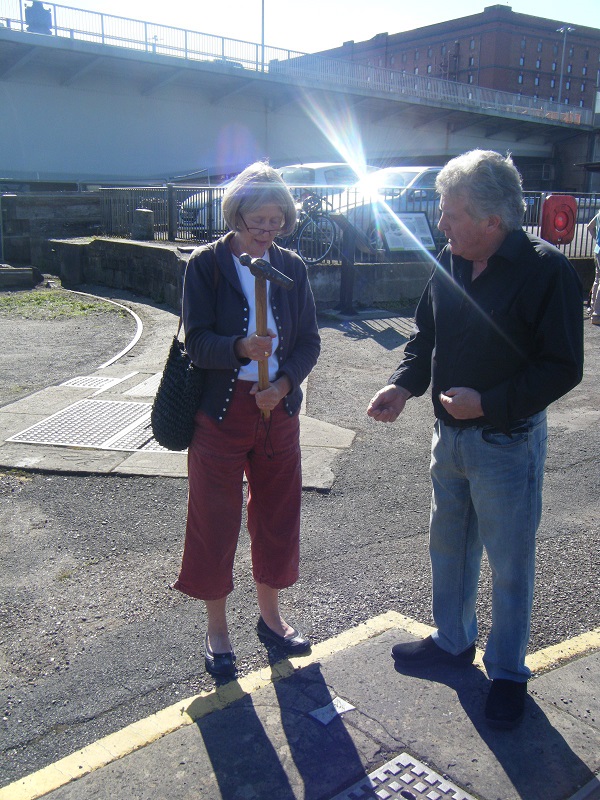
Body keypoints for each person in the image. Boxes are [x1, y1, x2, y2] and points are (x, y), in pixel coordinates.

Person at [367, 149, 583, 729]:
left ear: (494, 221)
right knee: (450, 546)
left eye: (451, 213)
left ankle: (508, 672)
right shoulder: (451, 260)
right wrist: (402, 387)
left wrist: (487, 402)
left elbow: (562, 368)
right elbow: (424, 337)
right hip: (449, 439)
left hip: (507, 442)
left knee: (511, 564)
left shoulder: (547, 271)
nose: (441, 223)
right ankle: (453, 641)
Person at [172, 162, 321, 677]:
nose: (265, 232)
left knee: (277, 515)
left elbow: (308, 343)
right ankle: (217, 629)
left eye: (276, 222)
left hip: (276, 410)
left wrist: (282, 385)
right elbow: (197, 343)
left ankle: (271, 617)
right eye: (257, 221)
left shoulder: (292, 268)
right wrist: (240, 347)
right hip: (220, 412)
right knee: (215, 520)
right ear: (236, 214)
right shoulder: (206, 265)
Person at [586, 210, 600, 325]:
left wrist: (597, 239)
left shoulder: (599, 213)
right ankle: (597, 313)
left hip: (598, 249)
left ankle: (592, 308)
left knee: (597, 279)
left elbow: (589, 227)